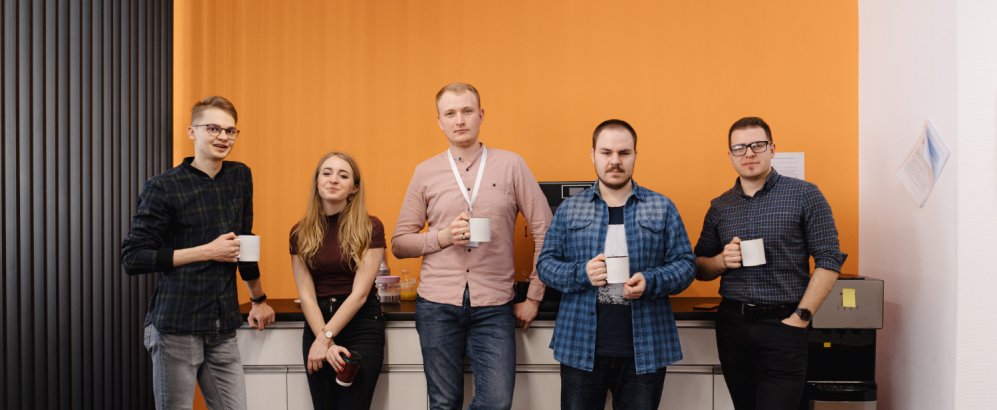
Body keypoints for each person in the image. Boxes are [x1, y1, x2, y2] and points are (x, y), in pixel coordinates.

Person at [391, 82, 553, 410]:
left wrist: (534, 296)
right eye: (450, 113)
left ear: (481, 115)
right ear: (440, 121)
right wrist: (442, 237)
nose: (460, 120)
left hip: (494, 306)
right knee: (443, 403)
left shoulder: (511, 165)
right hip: (437, 305)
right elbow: (399, 244)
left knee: (496, 402)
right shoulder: (425, 172)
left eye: (467, 111)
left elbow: (545, 229)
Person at [121, 95, 276, 410]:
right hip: (175, 328)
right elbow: (133, 257)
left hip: (222, 326)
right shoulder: (163, 187)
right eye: (214, 128)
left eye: (230, 131)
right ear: (192, 132)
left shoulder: (240, 176)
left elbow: (244, 243)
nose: (223, 137)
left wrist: (258, 300)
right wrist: (207, 251)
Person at [537, 119, 696, 409]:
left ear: (635, 154)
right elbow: (545, 264)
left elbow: (686, 264)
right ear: (593, 155)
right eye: (606, 152)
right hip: (579, 346)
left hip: (646, 347)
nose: (615, 161)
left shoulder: (662, 206)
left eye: (624, 153)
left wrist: (651, 281)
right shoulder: (571, 209)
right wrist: (581, 273)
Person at [693, 117, 847, 410]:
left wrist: (800, 317)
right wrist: (721, 261)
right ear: (730, 155)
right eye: (739, 147)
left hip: (784, 324)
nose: (749, 153)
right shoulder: (720, 206)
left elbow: (829, 260)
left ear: (772, 149)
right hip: (733, 326)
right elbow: (699, 266)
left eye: (757, 145)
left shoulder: (805, 195)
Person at [290, 152, 386, 409]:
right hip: (317, 321)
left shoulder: (370, 227)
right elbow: (307, 295)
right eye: (327, 173)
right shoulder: (300, 232)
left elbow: (360, 294)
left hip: (361, 325)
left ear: (354, 188)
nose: (333, 180)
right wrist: (323, 338)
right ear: (317, 182)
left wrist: (326, 338)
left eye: (343, 175)